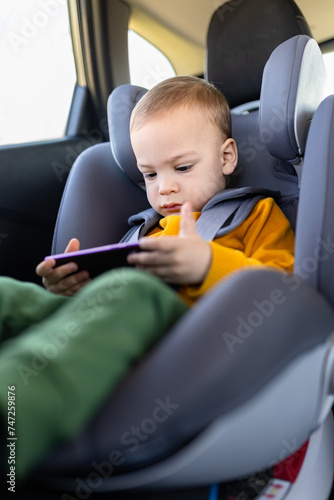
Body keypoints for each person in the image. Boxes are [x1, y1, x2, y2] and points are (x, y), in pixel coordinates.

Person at [0, 76, 294, 482]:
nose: (165, 188)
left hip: (197, 339)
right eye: (149, 176)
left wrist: (208, 264)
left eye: (183, 167)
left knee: (133, 290)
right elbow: (108, 310)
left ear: (227, 157)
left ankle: (15, 412)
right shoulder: (144, 231)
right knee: (9, 293)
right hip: (116, 328)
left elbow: (283, 292)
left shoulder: (255, 216)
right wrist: (75, 289)